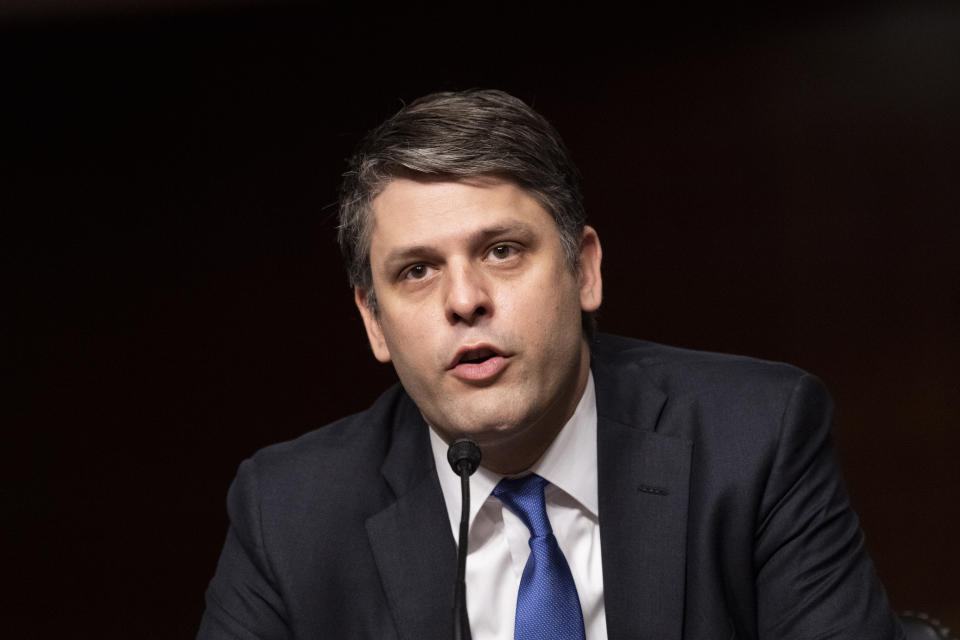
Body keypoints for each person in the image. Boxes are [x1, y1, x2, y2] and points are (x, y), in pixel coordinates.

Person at [197, 89, 904, 639]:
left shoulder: (754, 438)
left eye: (502, 250)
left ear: (584, 270)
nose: (465, 300)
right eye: (417, 271)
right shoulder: (288, 512)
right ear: (373, 321)